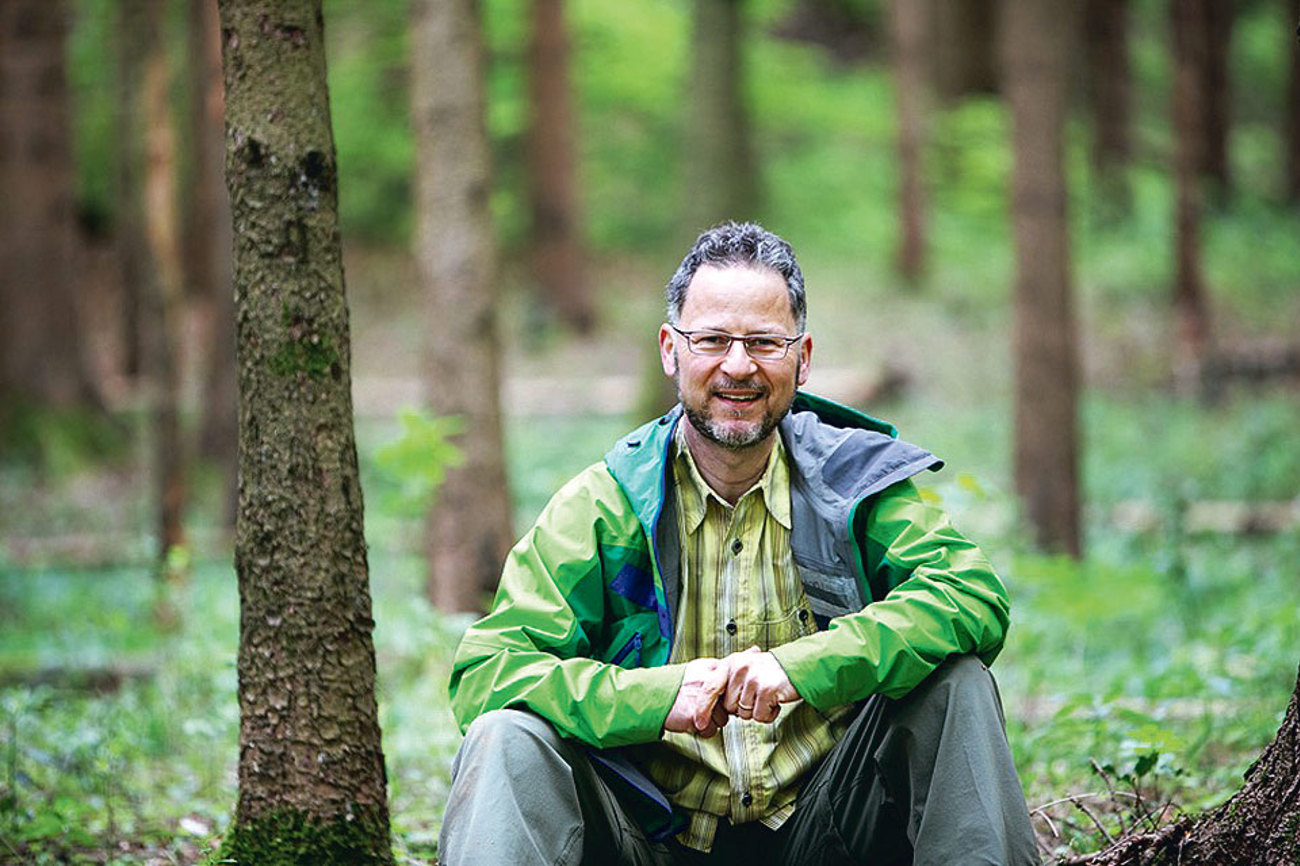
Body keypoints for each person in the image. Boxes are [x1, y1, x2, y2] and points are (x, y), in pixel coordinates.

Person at [438, 222, 1039, 865]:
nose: (738, 365)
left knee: (955, 681)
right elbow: (487, 671)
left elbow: (970, 596)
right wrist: (656, 698)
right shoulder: (605, 506)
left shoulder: (855, 485)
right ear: (671, 350)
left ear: (802, 357)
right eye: (713, 340)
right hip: (648, 836)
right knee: (507, 733)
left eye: (763, 342)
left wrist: (802, 667)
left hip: (829, 830)